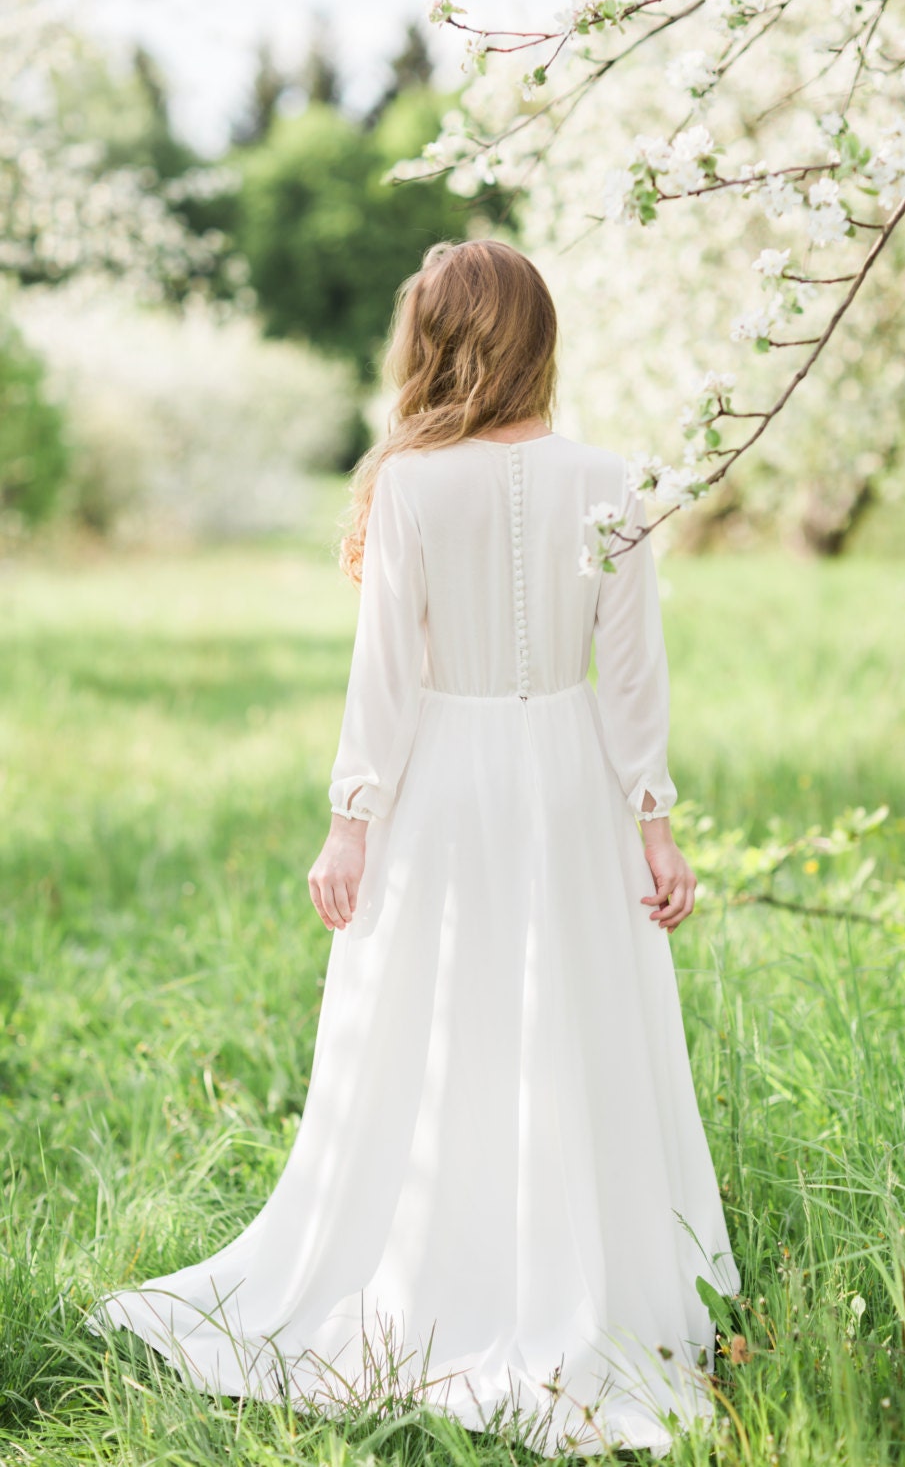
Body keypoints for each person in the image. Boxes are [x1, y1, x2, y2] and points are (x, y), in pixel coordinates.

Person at [86, 238, 741, 1457]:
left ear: (433, 344)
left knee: (441, 1016)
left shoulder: (408, 480)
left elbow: (384, 675)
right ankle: (580, 1271)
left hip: (444, 782)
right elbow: (632, 678)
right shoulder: (614, 477)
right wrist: (653, 820)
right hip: (568, 783)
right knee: (568, 1013)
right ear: (540, 338)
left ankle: (447, 1255)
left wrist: (353, 818)